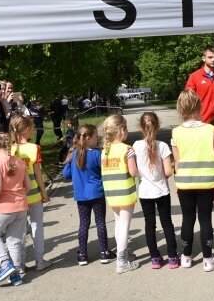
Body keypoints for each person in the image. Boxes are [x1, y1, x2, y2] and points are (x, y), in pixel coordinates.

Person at [171, 90, 214, 272]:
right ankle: (208, 258)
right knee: (205, 217)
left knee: (188, 218)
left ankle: (186, 256)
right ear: (199, 107)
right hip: (206, 180)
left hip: (185, 181)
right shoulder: (210, 130)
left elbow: (176, 160)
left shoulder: (176, 132)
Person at [62, 124, 115, 266]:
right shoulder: (96, 154)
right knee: (100, 222)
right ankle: (104, 252)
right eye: (96, 136)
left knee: (84, 224)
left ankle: (83, 254)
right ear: (89, 138)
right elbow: (104, 171)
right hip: (97, 193)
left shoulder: (73, 154)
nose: (97, 139)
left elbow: (66, 174)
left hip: (81, 196)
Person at [132, 112, 180, 269]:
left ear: (140, 128)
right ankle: (173, 256)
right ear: (158, 126)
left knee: (149, 224)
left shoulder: (136, 146)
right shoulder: (163, 146)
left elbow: (134, 171)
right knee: (167, 223)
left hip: (145, 192)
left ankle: (155, 257)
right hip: (161, 191)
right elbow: (168, 172)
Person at [0, 132, 29, 287]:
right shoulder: (21, 162)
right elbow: (28, 186)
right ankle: (16, 273)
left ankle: (5, 264)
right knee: (14, 240)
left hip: (3, 207)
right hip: (21, 206)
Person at [9, 115, 52, 272]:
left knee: (18, 230)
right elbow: (38, 174)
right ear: (26, 129)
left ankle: (19, 264)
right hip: (33, 193)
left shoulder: (9, 150)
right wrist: (44, 192)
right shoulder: (34, 148)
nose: (33, 129)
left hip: (16, 195)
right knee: (37, 226)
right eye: (32, 127)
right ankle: (39, 260)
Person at [101, 114, 140, 273]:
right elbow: (133, 172)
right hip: (125, 193)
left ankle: (122, 253)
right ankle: (122, 261)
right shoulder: (127, 149)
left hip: (111, 193)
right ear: (121, 130)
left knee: (118, 224)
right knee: (124, 225)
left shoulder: (105, 151)